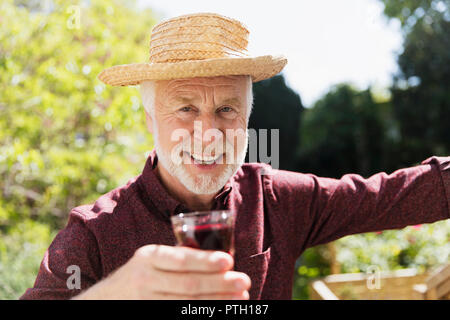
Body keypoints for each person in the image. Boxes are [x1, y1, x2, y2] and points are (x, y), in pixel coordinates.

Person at [21, 13, 449, 300]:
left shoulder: (277, 199)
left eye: (226, 109)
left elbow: (397, 195)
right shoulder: (94, 233)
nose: (208, 135)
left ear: (247, 118)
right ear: (150, 119)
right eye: (186, 109)